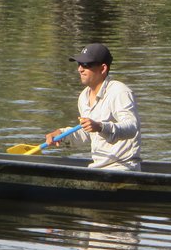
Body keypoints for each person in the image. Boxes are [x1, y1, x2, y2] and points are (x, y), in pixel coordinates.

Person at [46, 43, 141, 171]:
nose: (80, 69)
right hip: (97, 169)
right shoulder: (83, 97)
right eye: (79, 64)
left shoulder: (120, 92)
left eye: (86, 65)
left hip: (123, 169)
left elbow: (132, 127)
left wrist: (101, 127)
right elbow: (87, 133)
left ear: (103, 69)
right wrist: (62, 135)